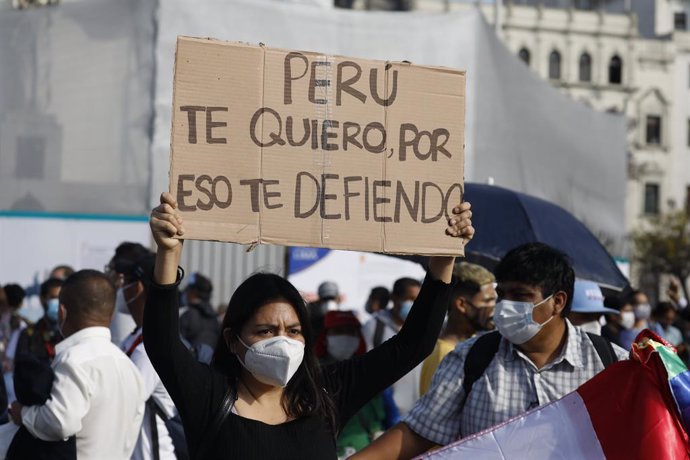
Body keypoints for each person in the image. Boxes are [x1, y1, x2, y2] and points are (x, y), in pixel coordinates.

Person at [144, 192, 474, 459]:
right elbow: (162, 343)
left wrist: (443, 261)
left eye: (293, 330)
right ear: (232, 340)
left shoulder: (326, 394)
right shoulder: (209, 395)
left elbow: (413, 344)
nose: (282, 341)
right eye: (265, 331)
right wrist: (169, 254)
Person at [353, 242, 628, 459]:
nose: (506, 306)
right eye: (502, 295)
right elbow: (417, 433)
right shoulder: (471, 358)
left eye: (520, 295)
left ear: (557, 302)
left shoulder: (612, 365)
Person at [10, 270, 146, 460]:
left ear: (62, 312)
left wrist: (23, 413)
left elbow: (59, 422)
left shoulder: (73, 360)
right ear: (111, 314)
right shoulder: (129, 366)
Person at [114, 252, 181, 460]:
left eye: (126, 282)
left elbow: (123, 402)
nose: (121, 289)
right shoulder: (135, 338)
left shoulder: (150, 348)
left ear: (138, 288)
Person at [315, 310, 386, 458]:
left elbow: (381, 416)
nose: (345, 336)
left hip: (364, 450)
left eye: (351, 332)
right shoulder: (311, 374)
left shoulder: (367, 372)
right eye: (338, 331)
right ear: (325, 336)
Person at [419, 262, 496, 395]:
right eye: (487, 301)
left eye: (494, 300)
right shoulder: (445, 354)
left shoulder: (470, 345)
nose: (493, 307)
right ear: (462, 305)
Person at [360, 277, 422, 417]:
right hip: (386, 414)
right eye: (409, 299)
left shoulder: (424, 328)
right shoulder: (375, 326)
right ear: (394, 298)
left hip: (419, 413)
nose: (414, 304)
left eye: (417, 299)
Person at [15, 278, 64, 364]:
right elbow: (22, 370)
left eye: (62, 298)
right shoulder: (29, 335)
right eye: (54, 298)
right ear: (42, 299)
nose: (58, 302)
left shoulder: (72, 333)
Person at [179, 272, 220, 350]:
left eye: (187, 289)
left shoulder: (184, 314)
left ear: (193, 292)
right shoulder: (215, 318)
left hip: (187, 361)